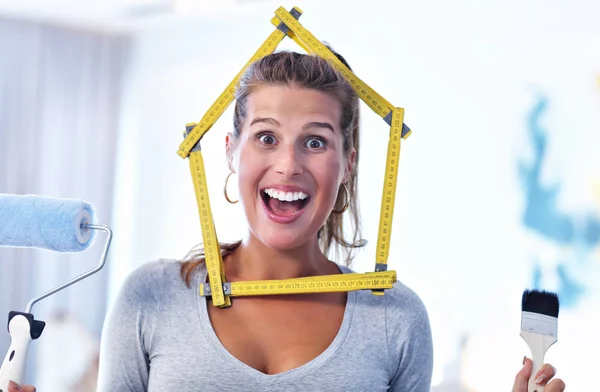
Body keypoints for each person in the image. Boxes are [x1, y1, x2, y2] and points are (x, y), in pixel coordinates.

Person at [8, 49, 566, 392]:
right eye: (267, 137)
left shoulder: (396, 317)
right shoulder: (149, 298)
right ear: (230, 151)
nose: (289, 165)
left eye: (316, 141)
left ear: (348, 162)